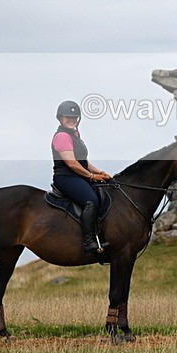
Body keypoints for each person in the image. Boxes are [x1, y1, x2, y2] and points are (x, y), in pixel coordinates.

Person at [51, 100, 112, 253]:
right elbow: (71, 163)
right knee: (90, 201)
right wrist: (92, 176)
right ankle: (88, 242)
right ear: (60, 118)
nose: (71, 120)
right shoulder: (62, 136)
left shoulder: (75, 135)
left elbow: (83, 162)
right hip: (65, 177)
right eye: (67, 117)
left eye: (74, 117)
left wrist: (100, 172)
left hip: (78, 176)